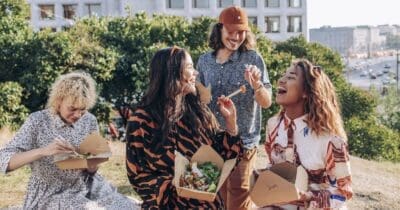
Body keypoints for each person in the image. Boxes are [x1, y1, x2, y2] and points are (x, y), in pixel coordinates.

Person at [0, 72, 140, 209]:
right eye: (72, 108)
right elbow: (4, 160)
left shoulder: (89, 120)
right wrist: (44, 151)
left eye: (82, 109)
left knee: (132, 206)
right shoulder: (37, 121)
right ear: (58, 100)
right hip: (52, 193)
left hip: (88, 187)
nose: (78, 115)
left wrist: (95, 158)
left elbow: (91, 170)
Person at [126, 46, 242, 209]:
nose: (195, 73)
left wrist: (231, 124)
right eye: (189, 67)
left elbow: (221, 161)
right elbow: (137, 175)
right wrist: (181, 189)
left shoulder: (200, 112)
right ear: (171, 72)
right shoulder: (142, 120)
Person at [197, 5, 272, 210]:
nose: (236, 37)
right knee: (215, 199)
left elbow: (266, 102)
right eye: (231, 31)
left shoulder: (253, 59)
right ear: (219, 28)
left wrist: (256, 84)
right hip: (213, 141)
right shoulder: (204, 61)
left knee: (238, 197)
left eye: (241, 32)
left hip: (244, 141)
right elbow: (198, 99)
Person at [262, 59, 353, 209]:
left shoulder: (331, 139)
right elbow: (272, 166)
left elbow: (343, 193)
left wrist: (310, 197)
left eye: (290, 77)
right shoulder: (273, 125)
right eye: (283, 75)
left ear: (306, 91)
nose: (281, 80)